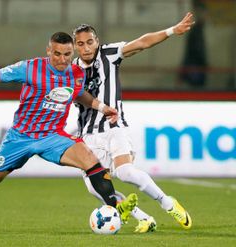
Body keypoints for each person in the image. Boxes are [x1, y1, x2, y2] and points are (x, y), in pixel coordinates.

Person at [0, 32, 137, 231]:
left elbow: (80, 95)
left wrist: (103, 108)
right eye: (57, 54)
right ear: (48, 51)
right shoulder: (30, 68)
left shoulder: (76, 73)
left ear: (72, 52)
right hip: (20, 137)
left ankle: (115, 208)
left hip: (53, 136)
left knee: (90, 159)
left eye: (67, 54)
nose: (62, 60)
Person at [71, 12, 195, 233]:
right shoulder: (71, 70)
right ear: (75, 47)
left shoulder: (108, 54)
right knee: (95, 188)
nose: (86, 47)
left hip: (113, 126)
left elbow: (142, 43)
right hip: (88, 136)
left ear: (97, 42)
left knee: (125, 172)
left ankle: (167, 203)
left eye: (90, 42)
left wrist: (171, 31)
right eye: (81, 44)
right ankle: (144, 218)